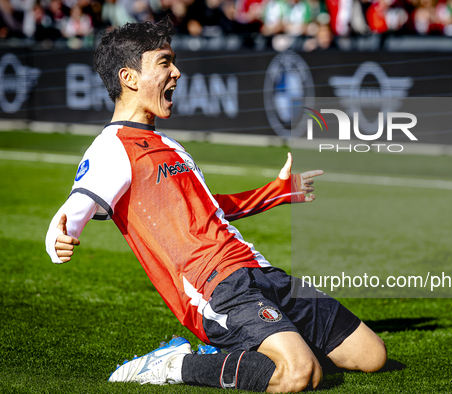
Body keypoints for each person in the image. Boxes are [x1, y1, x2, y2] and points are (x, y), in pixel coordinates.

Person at [44, 16, 386, 392]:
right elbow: (69, 212)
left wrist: (276, 191)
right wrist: (58, 238)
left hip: (256, 268)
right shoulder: (111, 149)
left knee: (372, 356)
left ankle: (256, 348)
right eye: (164, 62)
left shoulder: (169, 146)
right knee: (299, 373)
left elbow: (207, 207)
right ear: (129, 78)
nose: (176, 72)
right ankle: (176, 365)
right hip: (213, 287)